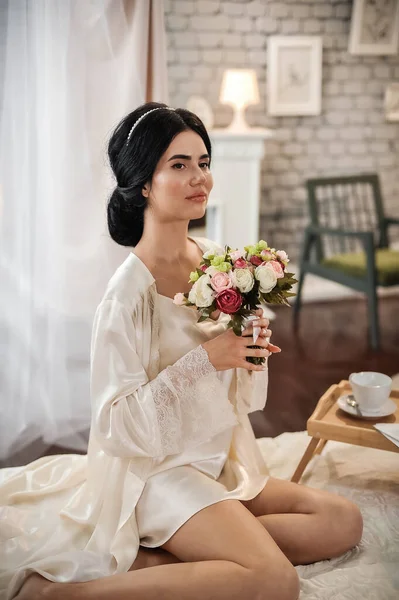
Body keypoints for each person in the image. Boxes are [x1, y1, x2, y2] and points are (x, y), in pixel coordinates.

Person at [0, 102, 363, 600]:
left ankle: (162, 557)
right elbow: (116, 427)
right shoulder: (125, 297)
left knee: (341, 520)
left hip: (215, 457)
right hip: (157, 474)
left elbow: (241, 394)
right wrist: (208, 359)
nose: (200, 178)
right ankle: (60, 594)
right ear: (143, 184)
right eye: (179, 165)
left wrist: (248, 352)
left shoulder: (216, 261)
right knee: (275, 580)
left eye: (204, 162)